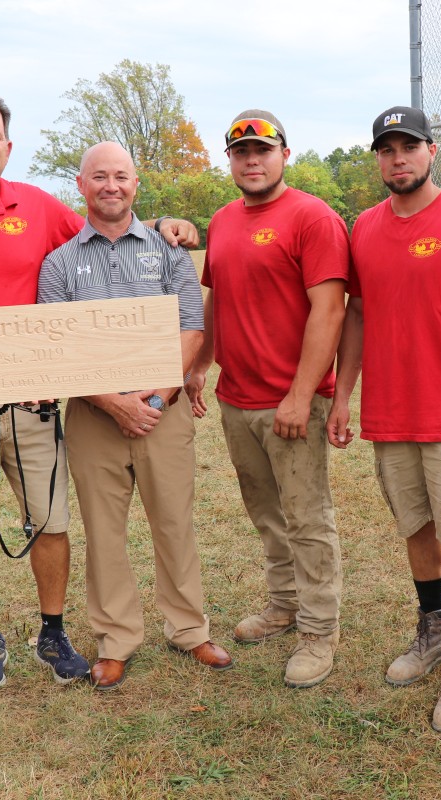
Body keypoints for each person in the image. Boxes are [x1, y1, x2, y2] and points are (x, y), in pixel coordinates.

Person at [0, 90, 198, 690]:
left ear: (8, 145)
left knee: (50, 520)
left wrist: (165, 224)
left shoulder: (39, 205)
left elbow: (108, 223)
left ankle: (57, 630)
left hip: (35, 396)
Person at [326, 106, 441, 731]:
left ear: (432, 151)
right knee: (417, 527)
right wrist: (343, 393)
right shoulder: (365, 227)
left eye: (408, 146)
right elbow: (356, 315)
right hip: (391, 412)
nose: (397, 158)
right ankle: (431, 630)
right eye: (386, 149)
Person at [37, 142, 232, 690]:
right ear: (81, 186)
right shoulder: (60, 263)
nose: (111, 186)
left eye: (121, 176)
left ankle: (189, 628)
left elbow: (191, 327)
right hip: (94, 415)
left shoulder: (168, 252)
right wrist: (113, 402)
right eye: (99, 176)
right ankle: (116, 638)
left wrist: (154, 398)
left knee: (174, 521)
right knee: (104, 531)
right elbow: (61, 346)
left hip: (162, 412)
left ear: (135, 185)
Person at [186, 110, 348, 689]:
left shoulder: (313, 217)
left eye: (262, 149)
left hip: (291, 401)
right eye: (240, 152)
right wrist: (202, 362)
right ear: (229, 161)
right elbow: (216, 299)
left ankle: (318, 629)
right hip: (238, 398)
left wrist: (301, 396)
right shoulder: (224, 220)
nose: (252, 160)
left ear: (284, 154)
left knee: (307, 517)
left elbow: (330, 311)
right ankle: (283, 603)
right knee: (266, 513)